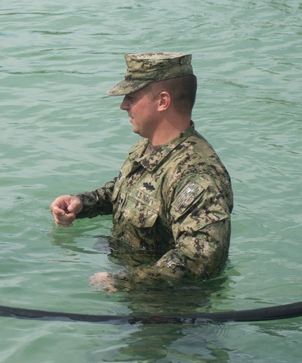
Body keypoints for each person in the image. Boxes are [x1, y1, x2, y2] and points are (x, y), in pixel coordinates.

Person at [49, 52, 233, 291]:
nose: (123, 105)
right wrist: (82, 203)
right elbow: (126, 190)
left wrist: (127, 281)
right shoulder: (146, 150)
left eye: (132, 97)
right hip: (134, 289)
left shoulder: (197, 176)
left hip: (169, 311)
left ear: (163, 102)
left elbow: (201, 259)